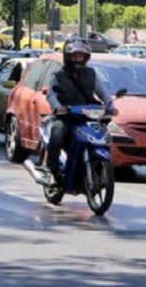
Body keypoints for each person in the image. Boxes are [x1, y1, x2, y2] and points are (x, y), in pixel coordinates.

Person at [43, 41, 113, 188]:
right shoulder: (58, 75)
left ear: (86, 57)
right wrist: (58, 108)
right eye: (75, 56)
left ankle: (95, 170)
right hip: (65, 116)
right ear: (68, 57)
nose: (78, 58)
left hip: (86, 116)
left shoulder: (92, 74)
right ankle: (52, 170)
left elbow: (103, 92)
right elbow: (51, 95)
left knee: (103, 134)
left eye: (81, 55)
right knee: (57, 133)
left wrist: (110, 106)